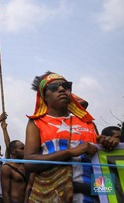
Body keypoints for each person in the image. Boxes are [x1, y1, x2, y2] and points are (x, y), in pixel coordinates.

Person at [24, 71, 120, 202]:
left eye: (66, 85)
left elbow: (99, 159)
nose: (62, 89)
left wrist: (111, 145)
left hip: (92, 196)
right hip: (54, 196)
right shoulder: (37, 123)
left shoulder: (87, 122)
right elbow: (29, 163)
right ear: (43, 96)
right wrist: (69, 152)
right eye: (54, 87)